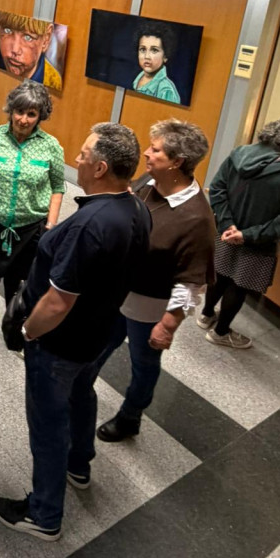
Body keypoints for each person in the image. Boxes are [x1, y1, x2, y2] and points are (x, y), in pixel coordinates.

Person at [0, 123, 151, 540]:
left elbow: (58, 302)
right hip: (98, 334)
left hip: (60, 343)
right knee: (83, 394)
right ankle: (79, 465)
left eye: (82, 154)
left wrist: (26, 331)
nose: (75, 159)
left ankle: (44, 515)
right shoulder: (137, 209)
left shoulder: (89, 225)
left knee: (47, 425)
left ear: (100, 168)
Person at [91, 120, 216, 444]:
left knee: (143, 366)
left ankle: (130, 417)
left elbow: (190, 282)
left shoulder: (197, 219)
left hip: (150, 310)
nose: (146, 152)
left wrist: (169, 325)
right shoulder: (149, 181)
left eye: (156, 149)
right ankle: (77, 388)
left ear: (177, 162)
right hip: (118, 293)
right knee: (98, 344)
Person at [201, 115, 280, 349]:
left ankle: (206, 315)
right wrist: (247, 235)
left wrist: (228, 224)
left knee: (219, 275)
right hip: (259, 244)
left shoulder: (240, 153)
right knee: (239, 285)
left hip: (224, 232)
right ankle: (220, 333)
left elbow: (217, 187)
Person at [0, 81, 65, 305]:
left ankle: (14, 336)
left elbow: (58, 187)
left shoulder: (52, 147)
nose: (23, 119)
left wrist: (50, 224)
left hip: (29, 232)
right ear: (11, 110)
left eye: (31, 114)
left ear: (40, 116)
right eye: (19, 112)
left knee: (19, 295)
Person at [0, 11, 62, 91]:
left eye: (28, 37)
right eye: (8, 31)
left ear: (46, 39)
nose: (15, 49)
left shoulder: (53, 80)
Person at [132, 22, 181, 103]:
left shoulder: (166, 90)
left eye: (154, 50)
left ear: (165, 56)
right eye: (143, 49)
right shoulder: (138, 78)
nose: (147, 56)